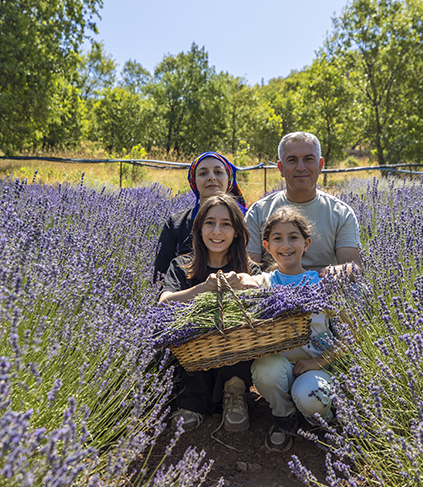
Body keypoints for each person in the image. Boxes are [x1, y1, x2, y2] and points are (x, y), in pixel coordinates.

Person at [159, 193, 259, 433]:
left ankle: (234, 392)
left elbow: (267, 305)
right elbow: (164, 303)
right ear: (199, 229)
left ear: (236, 231)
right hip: (194, 361)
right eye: (210, 223)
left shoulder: (248, 268)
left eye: (226, 224)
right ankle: (192, 400)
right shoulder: (182, 265)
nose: (217, 231)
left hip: (236, 358)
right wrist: (201, 288)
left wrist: (247, 286)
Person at [248, 207, 335, 452]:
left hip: (317, 365)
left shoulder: (322, 283)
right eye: (277, 238)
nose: (285, 245)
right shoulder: (263, 283)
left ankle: (320, 421)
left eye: (293, 237)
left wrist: (319, 362)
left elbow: (354, 333)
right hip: (280, 367)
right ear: (267, 246)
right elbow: (242, 285)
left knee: (311, 396)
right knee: (265, 369)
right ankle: (284, 417)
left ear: (306, 243)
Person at [245, 132, 361, 276]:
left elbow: (353, 266)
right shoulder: (259, 212)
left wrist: (325, 276)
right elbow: (250, 266)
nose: (301, 167)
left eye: (308, 159)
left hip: (325, 290)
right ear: (281, 167)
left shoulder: (341, 213)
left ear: (320, 165)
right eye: (292, 160)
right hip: (272, 291)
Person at [154, 151, 247, 281]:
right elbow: (160, 276)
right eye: (203, 173)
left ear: (229, 179)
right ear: (194, 181)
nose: (211, 177)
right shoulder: (177, 224)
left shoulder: (246, 220)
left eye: (218, 172)